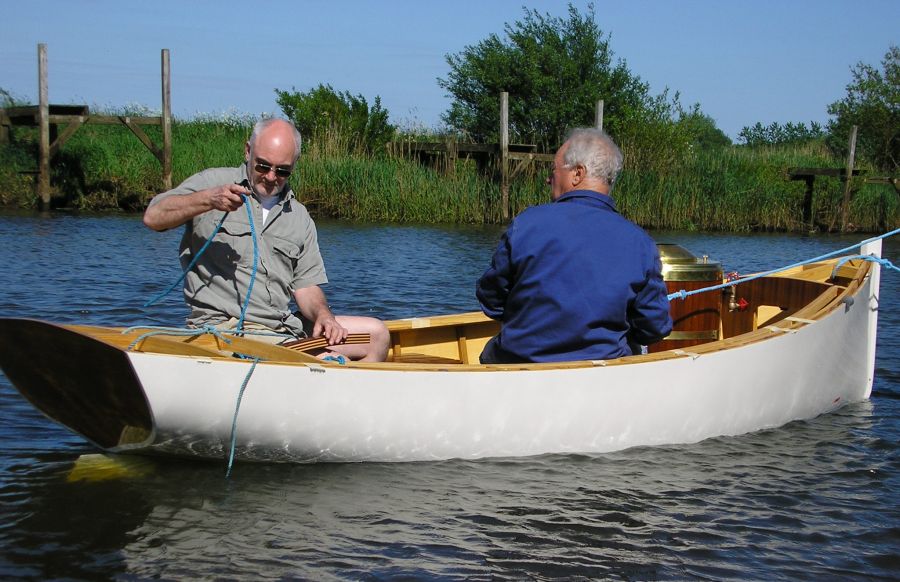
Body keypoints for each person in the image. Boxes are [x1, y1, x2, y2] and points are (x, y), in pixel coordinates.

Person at [143, 118, 390, 362]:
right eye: (263, 166)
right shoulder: (211, 183)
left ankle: (347, 395)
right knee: (329, 360)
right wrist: (208, 200)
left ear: (294, 165)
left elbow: (306, 288)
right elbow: (154, 217)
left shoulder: (300, 216)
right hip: (227, 332)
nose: (271, 177)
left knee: (377, 335)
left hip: (284, 329)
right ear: (248, 151)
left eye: (282, 170)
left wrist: (325, 316)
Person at [476, 127, 672, 363]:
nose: (549, 178)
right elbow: (655, 327)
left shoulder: (527, 223)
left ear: (578, 173)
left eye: (553, 170)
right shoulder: (641, 242)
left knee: (491, 352)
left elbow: (490, 298)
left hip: (522, 369)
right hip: (599, 376)